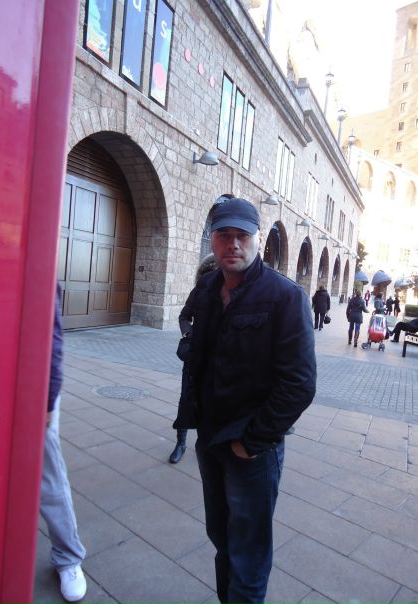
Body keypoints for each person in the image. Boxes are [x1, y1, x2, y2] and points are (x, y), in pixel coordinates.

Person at [180, 198, 316, 604]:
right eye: (224, 235)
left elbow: (300, 384)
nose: (233, 244)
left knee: (249, 553)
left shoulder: (285, 297)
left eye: (242, 235)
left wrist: (253, 441)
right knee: (221, 538)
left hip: (251, 447)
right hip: (210, 437)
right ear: (213, 239)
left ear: (258, 239)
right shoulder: (207, 289)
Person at [40, 284, 87, 602]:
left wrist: (47, 401)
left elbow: (51, 339)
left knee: (48, 481)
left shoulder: (35, 269)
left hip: (29, 393)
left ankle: (68, 557)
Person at [169, 254, 217, 464]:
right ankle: (180, 443)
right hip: (195, 355)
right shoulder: (199, 292)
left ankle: (209, 444)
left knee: (212, 400)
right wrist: (189, 334)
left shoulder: (234, 295)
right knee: (186, 398)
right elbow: (184, 316)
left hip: (219, 358)